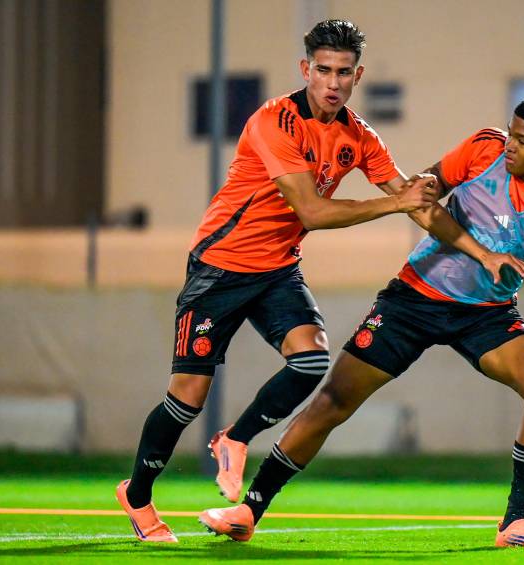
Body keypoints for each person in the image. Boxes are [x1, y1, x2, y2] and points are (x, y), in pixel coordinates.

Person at [198, 94, 524, 550]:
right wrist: (425, 188)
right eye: (511, 133)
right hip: (413, 299)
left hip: (486, 315)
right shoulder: (484, 148)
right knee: (335, 399)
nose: (510, 146)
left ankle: (516, 523)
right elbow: (425, 187)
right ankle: (248, 510)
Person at [115, 19, 443, 543]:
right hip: (219, 268)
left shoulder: (359, 135)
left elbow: (413, 200)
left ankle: (236, 439)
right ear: (305, 69)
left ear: (357, 76)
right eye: (322, 70)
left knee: (311, 359)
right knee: (187, 398)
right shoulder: (275, 121)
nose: (332, 82)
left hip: (277, 271)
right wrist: (398, 202)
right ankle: (137, 495)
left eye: (343, 73)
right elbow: (312, 211)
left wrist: (479, 246)